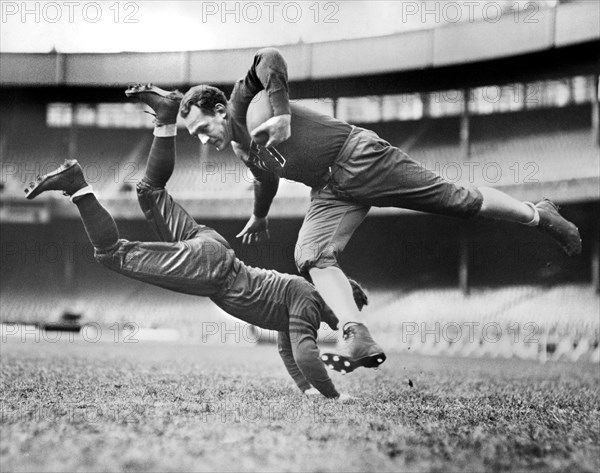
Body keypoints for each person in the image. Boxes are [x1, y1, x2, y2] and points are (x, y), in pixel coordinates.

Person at [174, 47, 582, 370]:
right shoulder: (242, 147)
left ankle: (537, 214)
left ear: (219, 110)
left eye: (201, 128)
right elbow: (268, 179)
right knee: (310, 254)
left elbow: (270, 57)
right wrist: (260, 214)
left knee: (457, 200)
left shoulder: (244, 101)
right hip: (330, 190)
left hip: (359, 155)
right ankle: (356, 334)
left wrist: (280, 116)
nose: (202, 139)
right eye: (194, 135)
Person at [23, 87, 372, 400]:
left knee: (150, 191)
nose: (345, 323)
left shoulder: (302, 299)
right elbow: (306, 353)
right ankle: (77, 185)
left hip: (214, 249)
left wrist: (308, 389)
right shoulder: (309, 304)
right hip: (214, 271)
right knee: (112, 254)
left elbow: (289, 351)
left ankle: (165, 117)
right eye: (348, 316)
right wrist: (332, 395)